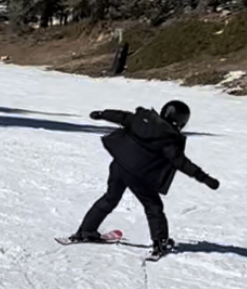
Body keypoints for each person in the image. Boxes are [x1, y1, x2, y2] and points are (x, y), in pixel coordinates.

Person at [69, 100, 219, 259]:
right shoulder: (168, 138)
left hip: (119, 165)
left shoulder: (143, 119)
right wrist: (205, 178)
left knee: (110, 198)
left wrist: (102, 114)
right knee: (153, 206)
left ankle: (86, 231)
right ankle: (160, 243)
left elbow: (123, 117)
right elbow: (181, 163)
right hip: (138, 175)